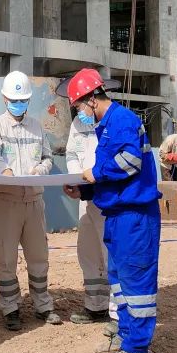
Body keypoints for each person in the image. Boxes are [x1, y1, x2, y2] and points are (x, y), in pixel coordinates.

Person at [68, 67, 162, 353]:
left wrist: (94, 174)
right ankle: (125, 335)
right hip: (119, 214)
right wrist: (84, 191)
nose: (79, 113)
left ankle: (137, 350)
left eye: (79, 106)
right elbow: (112, 172)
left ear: (92, 100)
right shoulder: (106, 124)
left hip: (134, 216)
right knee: (119, 281)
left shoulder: (121, 120)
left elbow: (129, 163)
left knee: (136, 282)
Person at [0, 70, 62, 330]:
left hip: (34, 202)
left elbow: (47, 157)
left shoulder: (37, 126)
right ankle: (10, 308)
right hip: (7, 201)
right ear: (5, 99)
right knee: (5, 258)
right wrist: (5, 172)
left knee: (39, 256)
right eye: (15, 100)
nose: (19, 104)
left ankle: (43, 305)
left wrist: (41, 169)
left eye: (23, 100)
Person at [62, 105, 116, 329]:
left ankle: (117, 311)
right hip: (86, 195)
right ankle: (96, 305)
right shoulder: (78, 124)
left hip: (107, 195)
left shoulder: (111, 122)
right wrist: (77, 176)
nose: (78, 109)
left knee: (110, 252)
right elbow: (72, 153)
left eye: (80, 104)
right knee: (88, 251)